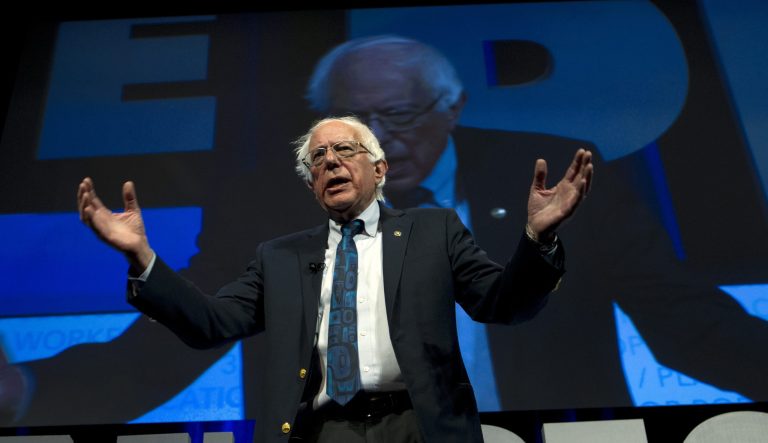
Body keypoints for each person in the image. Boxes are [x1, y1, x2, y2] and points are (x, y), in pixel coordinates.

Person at [304, 35, 768, 411]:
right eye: (355, 123)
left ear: (453, 107)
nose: (378, 140)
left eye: (400, 115)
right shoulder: (299, 199)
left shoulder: (553, 173)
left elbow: (683, 318)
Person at [76, 115, 593, 442]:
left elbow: (502, 304)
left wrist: (538, 239)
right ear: (312, 185)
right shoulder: (279, 257)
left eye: (345, 150)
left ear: (380, 169)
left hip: (420, 425)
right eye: (318, 159)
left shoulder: (433, 230)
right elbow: (210, 323)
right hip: (322, 430)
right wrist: (143, 256)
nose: (330, 162)